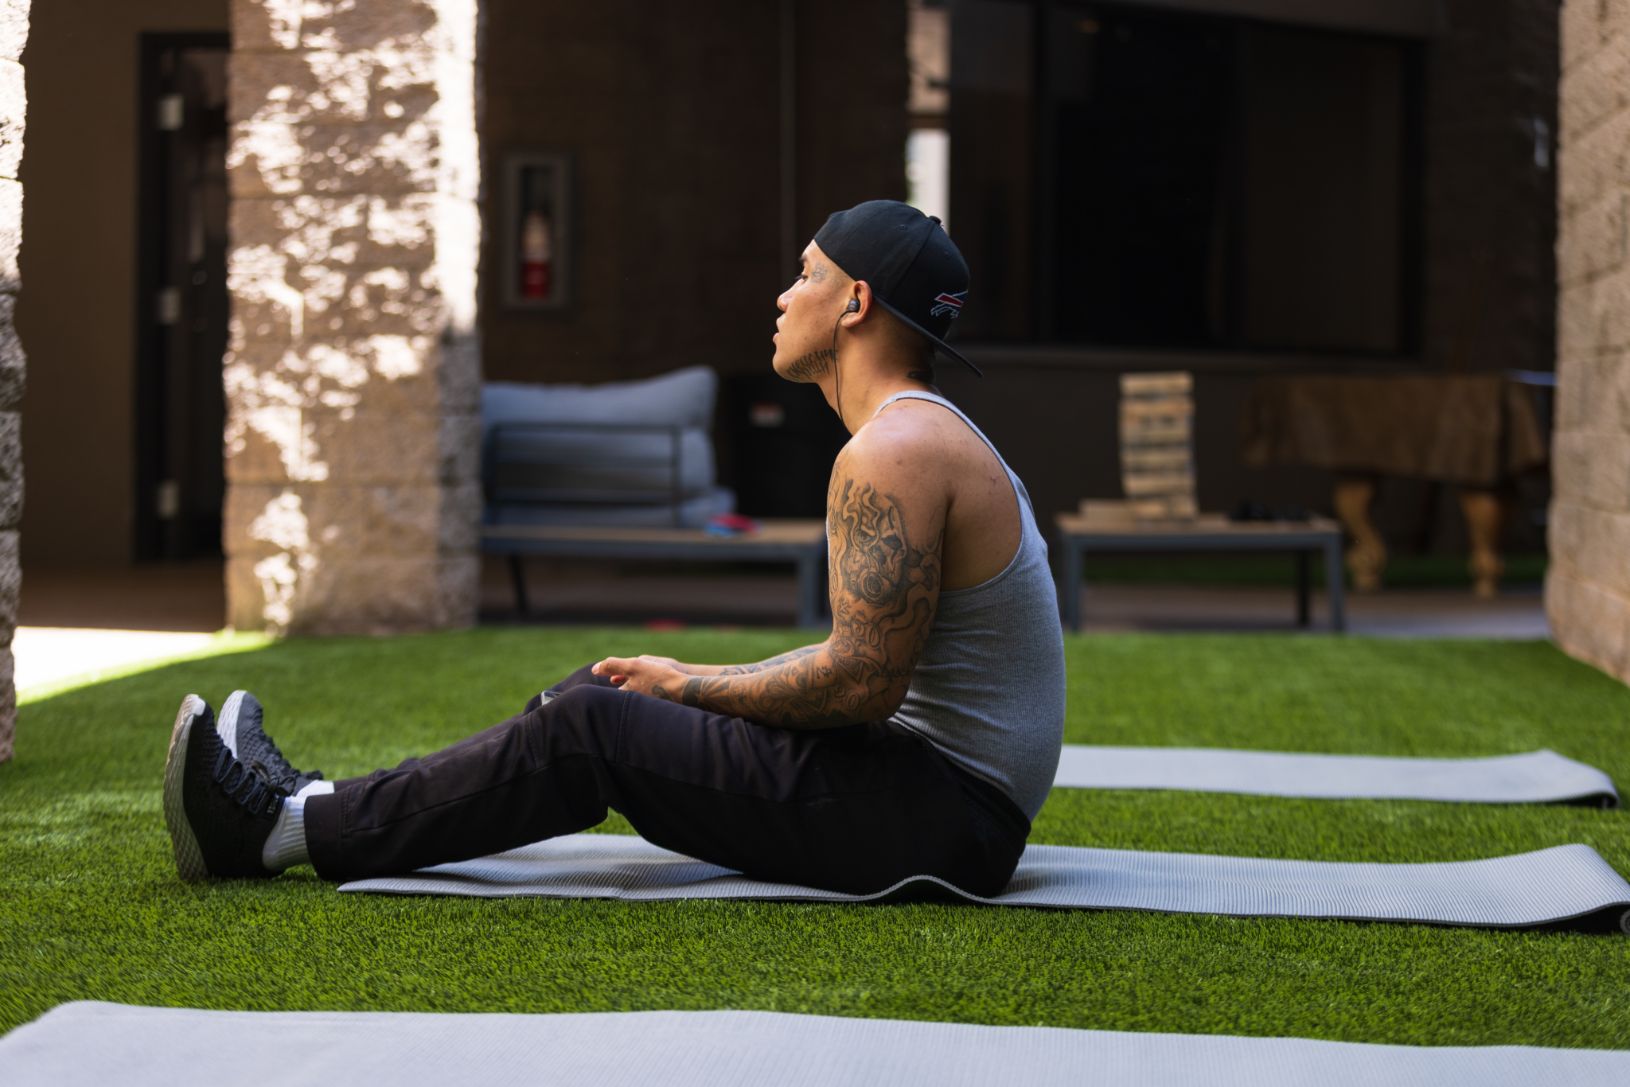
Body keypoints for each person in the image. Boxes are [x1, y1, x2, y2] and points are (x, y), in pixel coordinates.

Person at [163, 200, 1066, 896]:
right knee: (601, 693)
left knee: (591, 728)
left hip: (937, 819)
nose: (785, 295)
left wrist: (687, 687)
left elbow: (863, 685)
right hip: (920, 789)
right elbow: (858, 673)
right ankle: (312, 805)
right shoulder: (919, 436)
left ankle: (276, 831)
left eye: (806, 273)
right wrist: (678, 677)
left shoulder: (894, 452)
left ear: (856, 302)